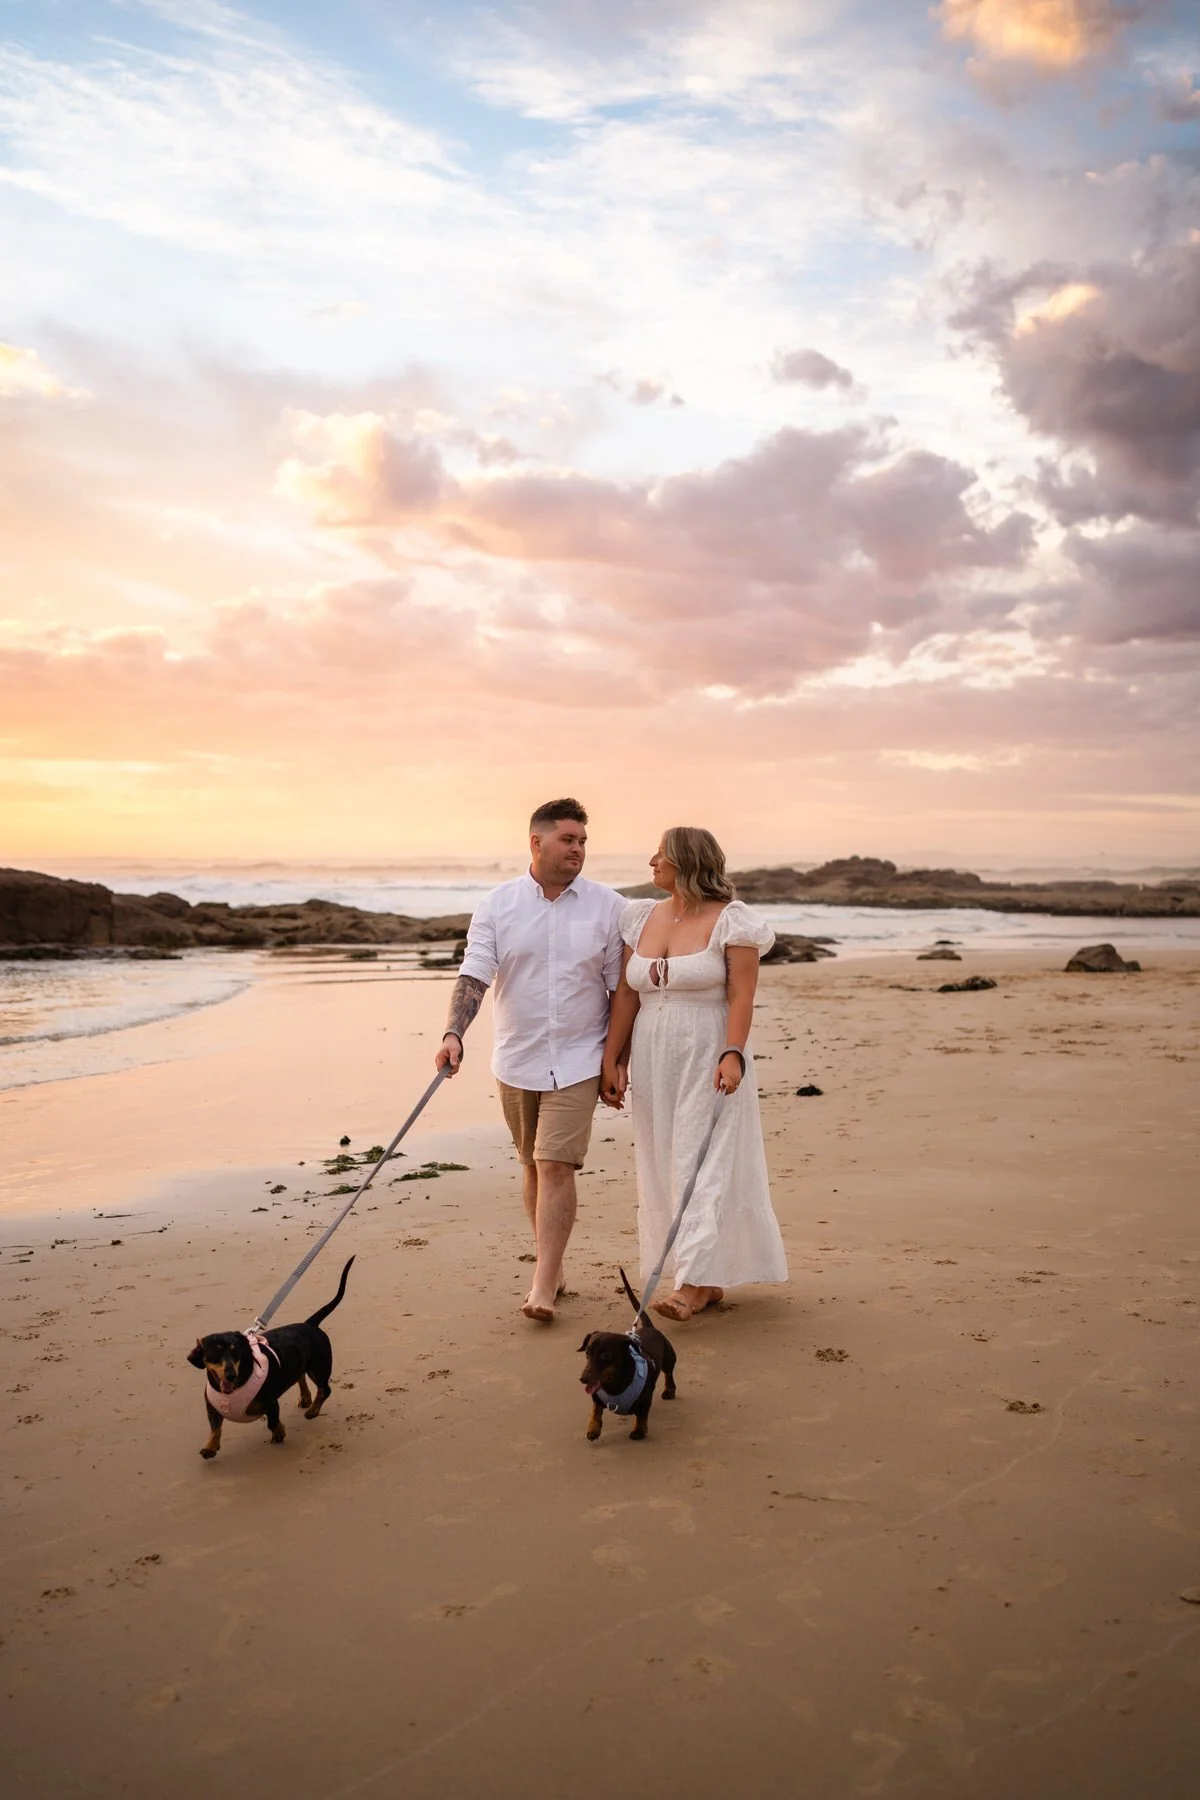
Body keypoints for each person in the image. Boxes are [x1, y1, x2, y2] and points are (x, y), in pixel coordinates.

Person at [435, 798, 625, 1323]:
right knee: (532, 1167)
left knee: (555, 1163)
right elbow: (475, 974)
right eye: (569, 840)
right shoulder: (497, 905)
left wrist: (615, 1061)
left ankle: (542, 1284)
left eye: (584, 841)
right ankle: (554, 1264)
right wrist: (454, 1032)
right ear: (537, 842)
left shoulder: (609, 907)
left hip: (581, 1057)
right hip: (516, 1057)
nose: (579, 850)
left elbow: (619, 992)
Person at [600, 826, 787, 1321]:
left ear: (685, 861)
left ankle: (692, 1282)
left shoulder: (734, 921)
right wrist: (612, 1060)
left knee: (698, 1160)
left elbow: (742, 994)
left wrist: (733, 1052)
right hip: (652, 1054)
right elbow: (625, 995)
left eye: (660, 853)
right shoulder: (640, 917)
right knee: (663, 1161)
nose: (651, 861)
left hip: (707, 1052)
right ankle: (702, 1275)